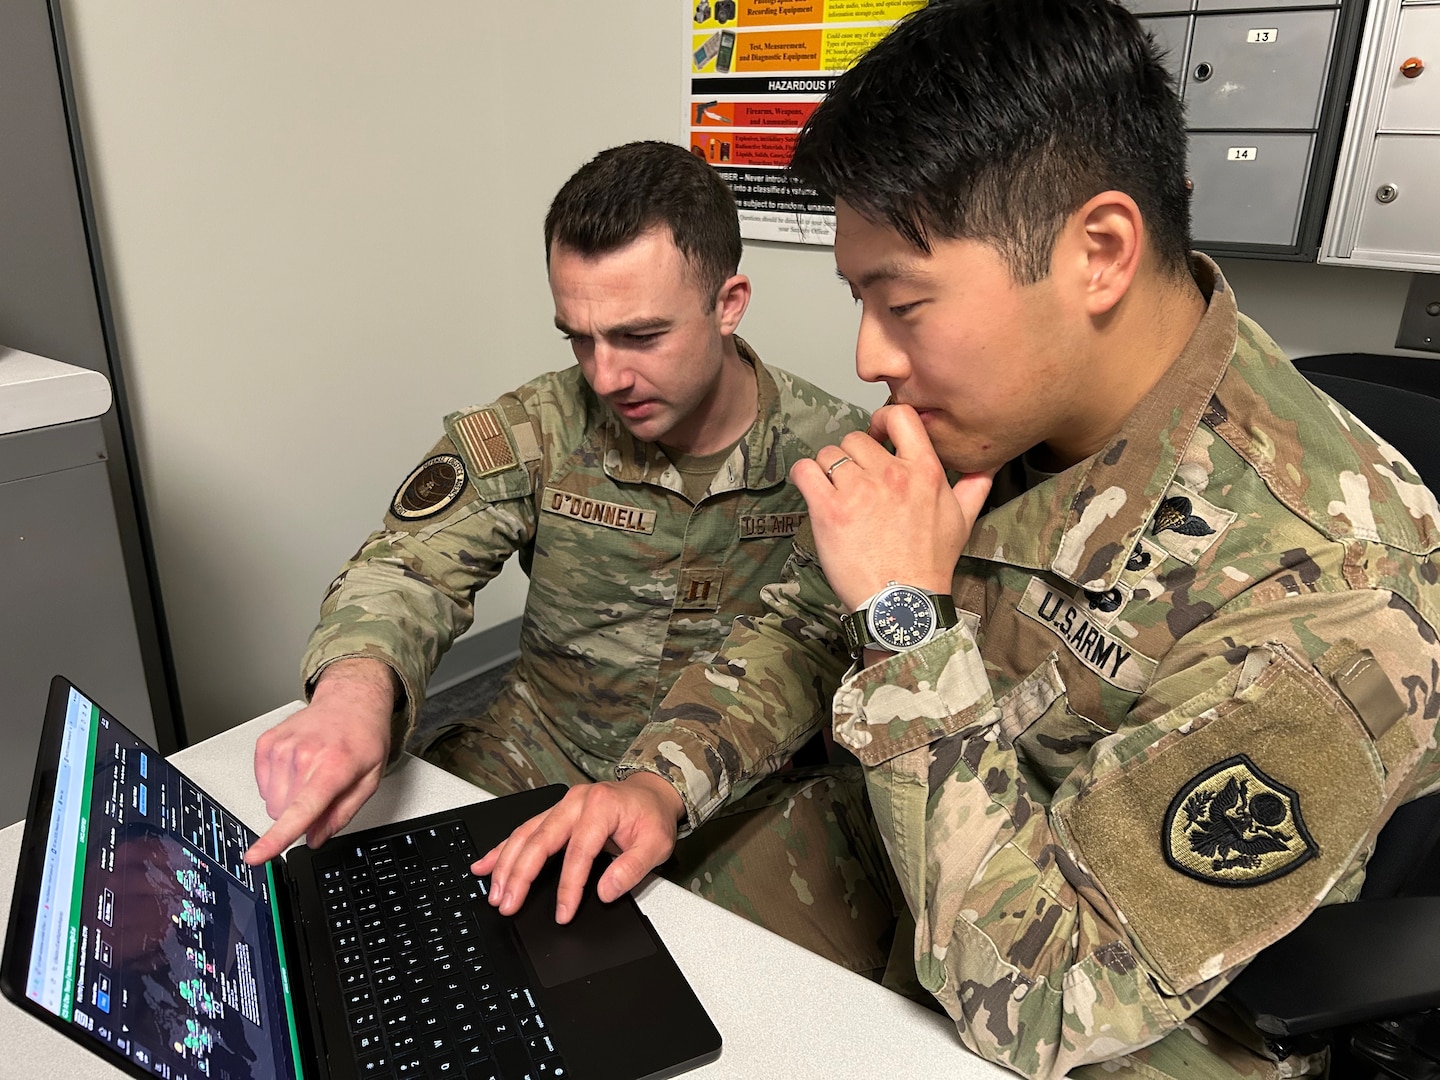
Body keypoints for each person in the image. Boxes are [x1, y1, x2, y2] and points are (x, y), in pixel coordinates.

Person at [475, 3, 1440, 1078]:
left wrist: (903, 620)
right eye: (859, 299)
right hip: (905, 845)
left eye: (904, 304)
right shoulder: (982, 409)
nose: (868, 353)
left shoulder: (1339, 594)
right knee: (591, 990)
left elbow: (1053, 1000)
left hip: (1110, 1002)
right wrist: (657, 780)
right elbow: (802, 621)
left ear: (1100, 253)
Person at [241, 140, 893, 973]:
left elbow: (812, 645)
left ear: (729, 303)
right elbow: (411, 565)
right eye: (579, 337)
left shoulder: (834, 456)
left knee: (737, 990)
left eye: (640, 334)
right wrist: (356, 690)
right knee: (370, 915)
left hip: (745, 787)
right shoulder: (538, 426)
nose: (606, 373)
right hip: (542, 747)